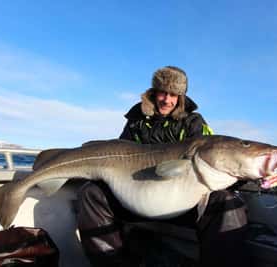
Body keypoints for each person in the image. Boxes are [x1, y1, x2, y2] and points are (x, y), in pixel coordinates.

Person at [76, 66, 248, 267]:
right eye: (162, 92)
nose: (167, 99)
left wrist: (243, 176)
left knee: (226, 202)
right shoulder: (136, 121)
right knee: (91, 193)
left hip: (185, 204)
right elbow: (119, 155)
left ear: (181, 96)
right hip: (135, 199)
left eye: (173, 94)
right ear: (153, 93)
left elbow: (215, 157)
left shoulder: (194, 123)